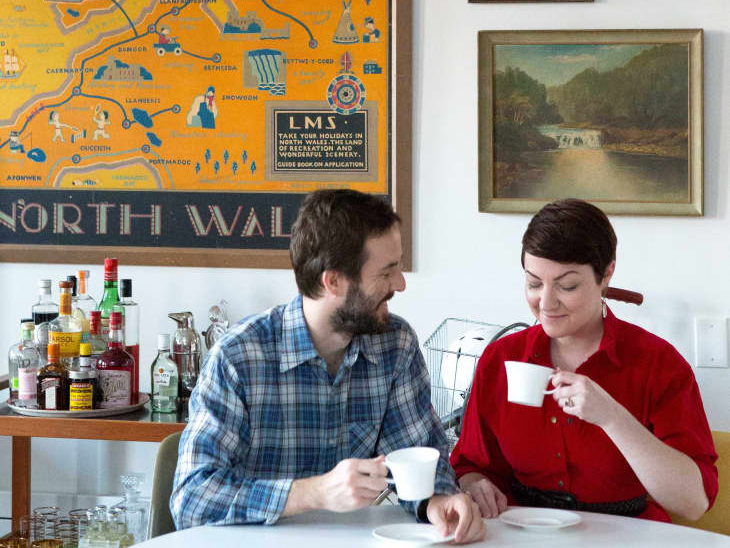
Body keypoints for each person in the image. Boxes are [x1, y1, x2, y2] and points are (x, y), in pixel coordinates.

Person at [171, 189, 483, 543]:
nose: (400, 283)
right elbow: (191, 500)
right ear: (332, 281)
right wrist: (315, 493)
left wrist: (437, 500)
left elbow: (420, 454)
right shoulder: (238, 359)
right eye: (387, 272)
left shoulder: (395, 344)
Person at [450, 198, 718, 523]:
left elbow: (693, 502)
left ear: (606, 274)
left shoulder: (659, 364)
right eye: (534, 283)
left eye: (567, 285)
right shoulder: (501, 358)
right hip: (523, 532)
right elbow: (471, 464)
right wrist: (475, 483)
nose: (545, 303)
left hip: (629, 535)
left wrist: (612, 418)